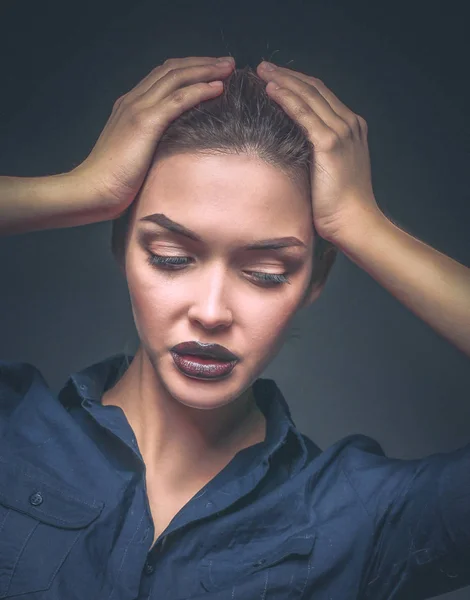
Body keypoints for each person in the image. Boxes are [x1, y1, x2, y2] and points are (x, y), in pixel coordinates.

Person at [0, 55, 469, 600]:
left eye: (267, 274)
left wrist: (363, 226)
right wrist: (81, 189)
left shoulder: (361, 516)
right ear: (121, 246)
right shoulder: (12, 428)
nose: (213, 310)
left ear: (315, 278)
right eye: (171, 256)